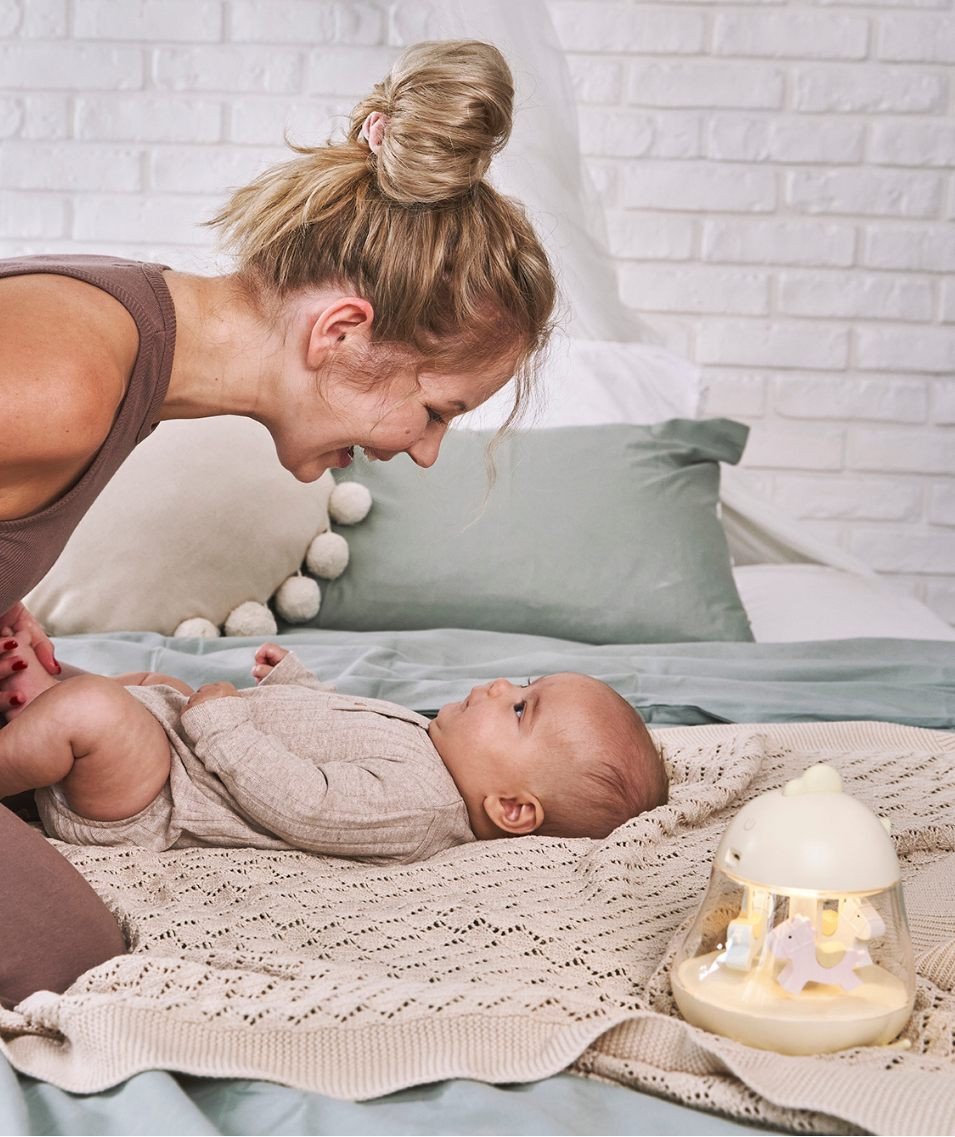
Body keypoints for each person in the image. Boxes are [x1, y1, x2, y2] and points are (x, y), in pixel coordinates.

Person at [0, 38, 557, 1005]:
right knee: (63, 956)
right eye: (436, 410)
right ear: (339, 333)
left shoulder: (124, 341)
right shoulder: (67, 383)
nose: (424, 452)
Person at [0, 635, 669, 861]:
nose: (500, 684)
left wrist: (223, 728)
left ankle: (48, 718)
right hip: (184, 742)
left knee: (101, 714)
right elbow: (328, 728)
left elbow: (307, 802)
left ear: (512, 809)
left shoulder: (420, 807)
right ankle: (42, 699)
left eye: (521, 706)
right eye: (521, 683)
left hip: (160, 794)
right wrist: (292, 680)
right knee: (158, 684)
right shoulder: (433, 746)